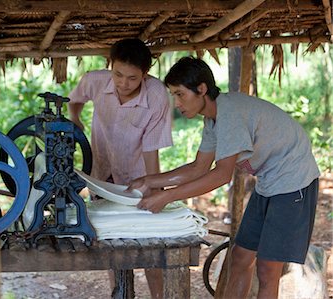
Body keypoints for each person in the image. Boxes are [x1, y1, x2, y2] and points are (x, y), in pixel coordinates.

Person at [127, 56, 320, 299]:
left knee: (267, 269)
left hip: (294, 180)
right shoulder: (213, 119)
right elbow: (199, 167)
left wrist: (167, 197)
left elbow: (220, 175)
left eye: (180, 94)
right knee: (240, 257)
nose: (176, 103)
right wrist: (149, 181)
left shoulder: (229, 114)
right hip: (270, 181)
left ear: (201, 89)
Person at [68, 38, 173, 299]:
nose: (123, 83)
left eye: (132, 78)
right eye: (118, 74)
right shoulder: (95, 80)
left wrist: (155, 191)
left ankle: (158, 296)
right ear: (110, 66)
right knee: (111, 241)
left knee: (150, 242)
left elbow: (151, 149)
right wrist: (75, 119)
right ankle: (121, 294)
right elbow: (74, 100)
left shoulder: (157, 95)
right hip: (102, 171)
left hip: (139, 175)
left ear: (145, 75)